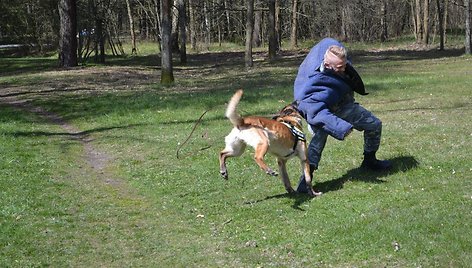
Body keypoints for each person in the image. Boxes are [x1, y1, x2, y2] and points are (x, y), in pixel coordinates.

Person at [293, 38, 391, 193]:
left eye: (345, 65)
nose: (344, 69)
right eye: (340, 67)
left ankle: (369, 160)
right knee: (317, 143)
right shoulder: (312, 79)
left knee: (374, 124)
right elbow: (308, 105)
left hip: (344, 105)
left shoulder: (340, 62)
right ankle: (305, 181)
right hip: (321, 113)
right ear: (327, 65)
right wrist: (340, 127)